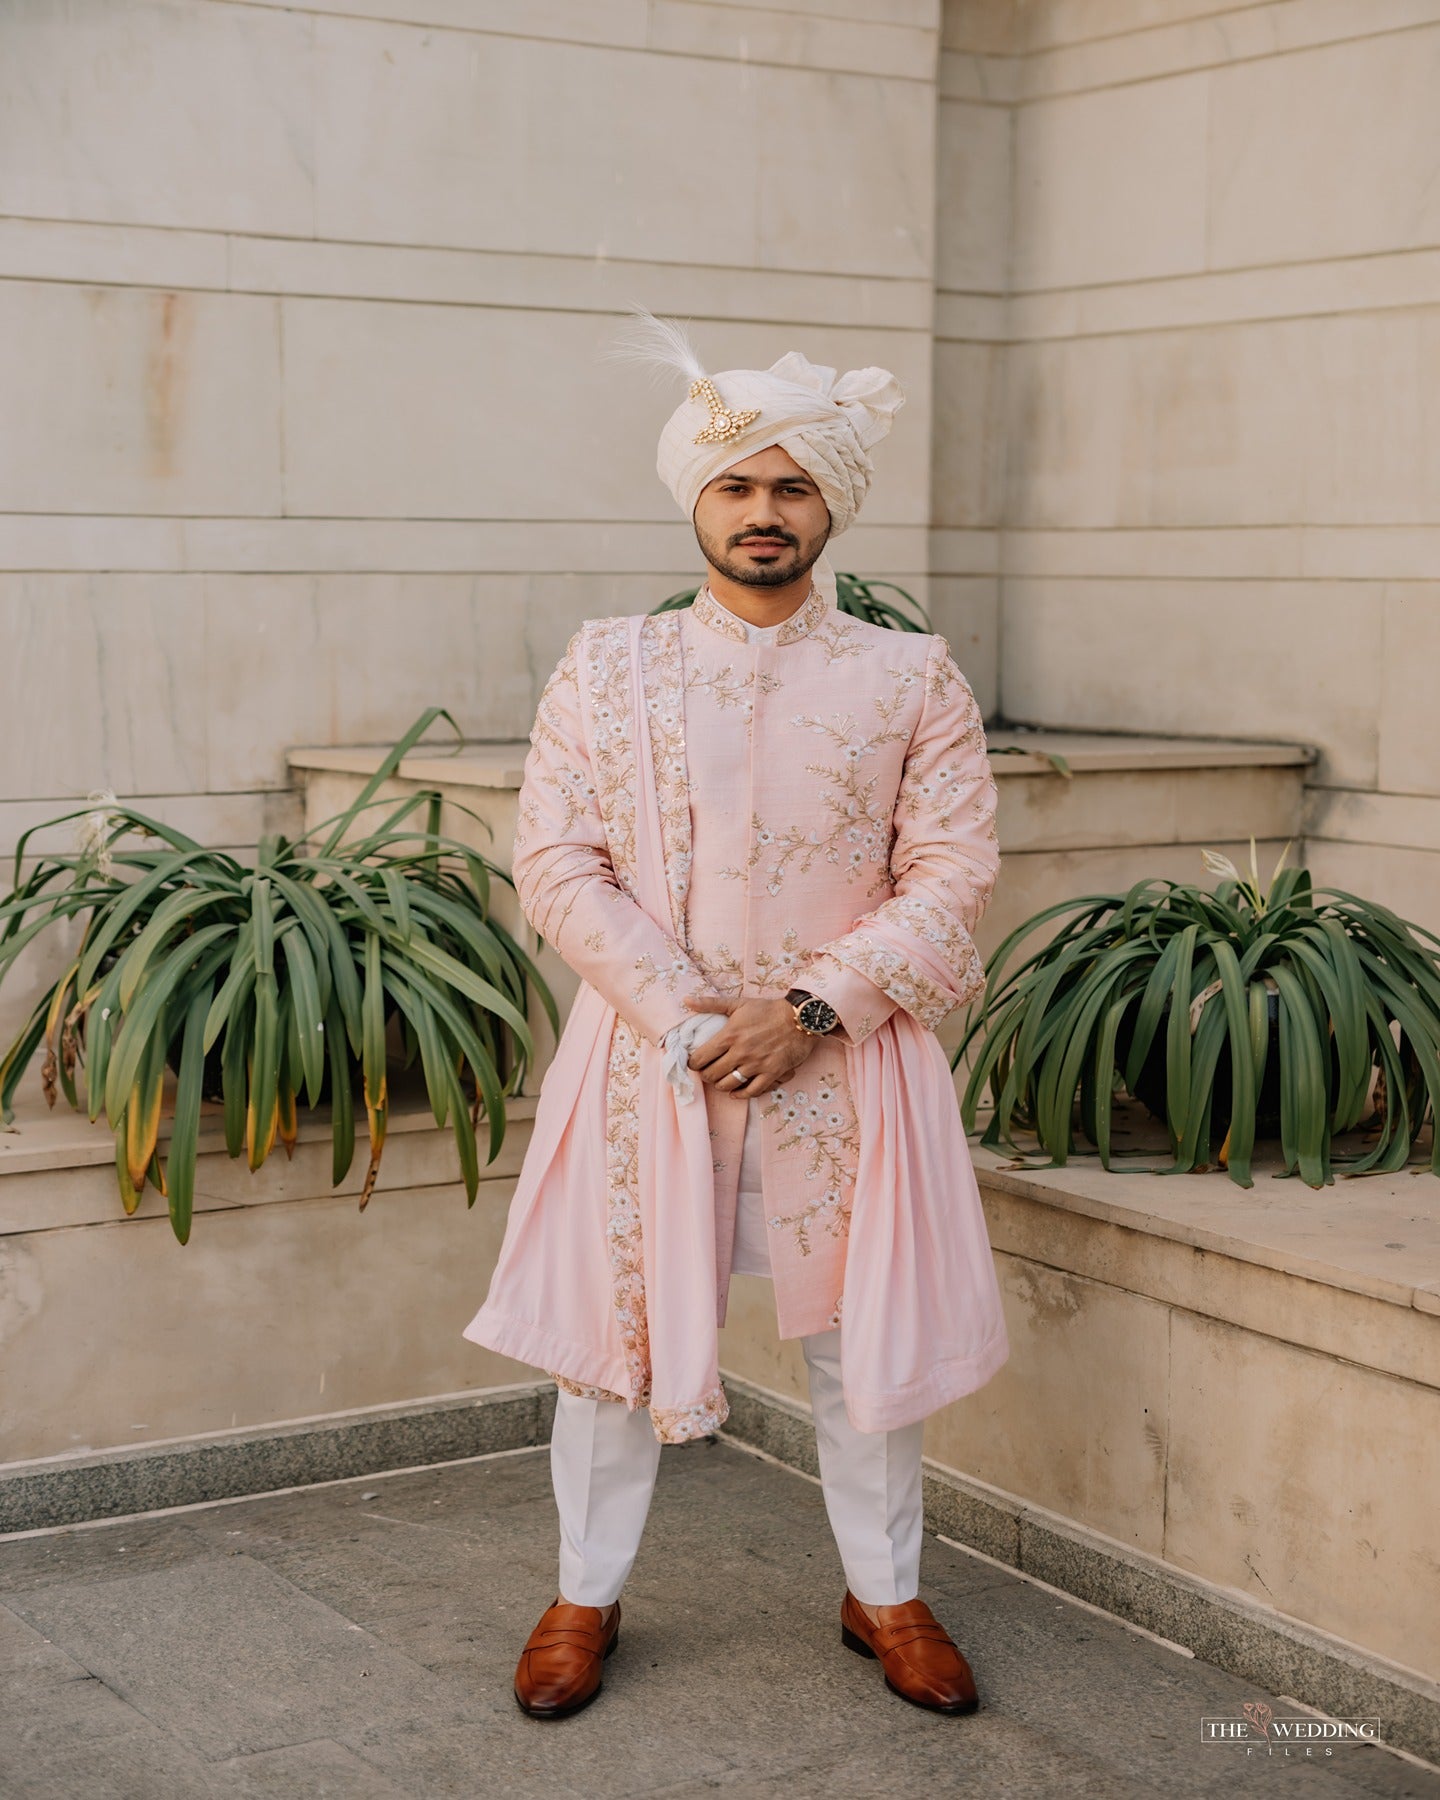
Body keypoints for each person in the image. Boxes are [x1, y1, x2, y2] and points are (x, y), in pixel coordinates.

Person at [464, 316, 1008, 1721]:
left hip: (848, 1066)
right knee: (613, 1338)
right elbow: (556, 862)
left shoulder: (910, 675)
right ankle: (584, 1593)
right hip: (655, 1062)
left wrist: (812, 1010)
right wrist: (687, 1018)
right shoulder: (607, 667)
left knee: (862, 1343)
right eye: (737, 485)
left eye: (792, 486)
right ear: (696, 500)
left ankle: (884, 1590)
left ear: (829, 504)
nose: (764, 512)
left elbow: (955, 871)